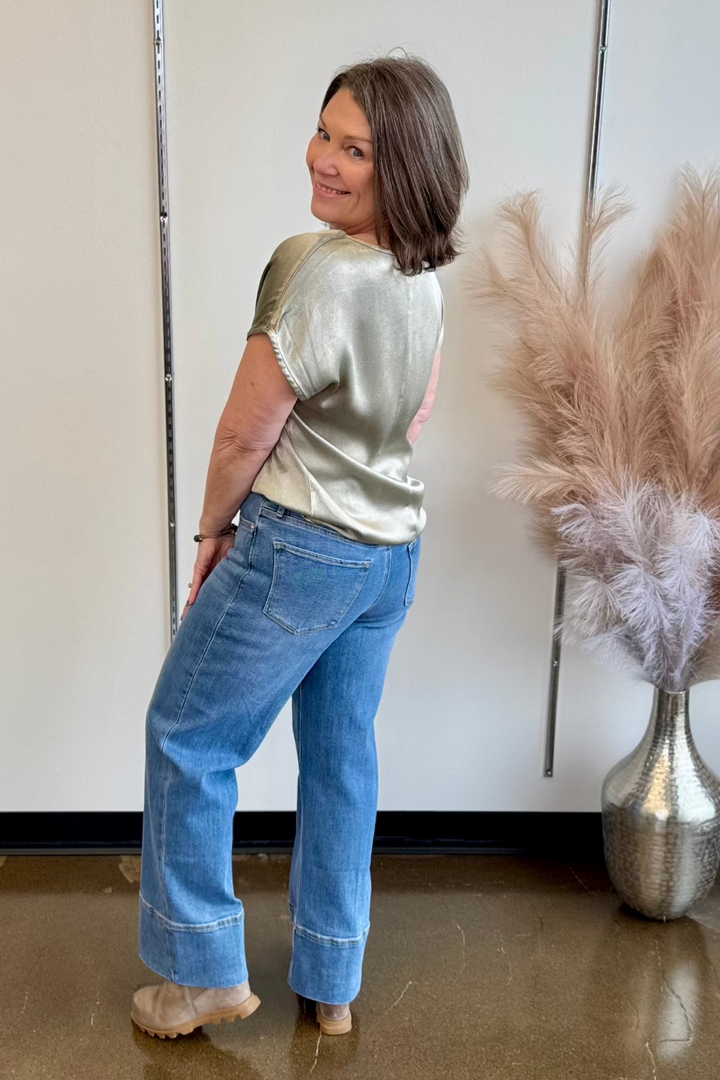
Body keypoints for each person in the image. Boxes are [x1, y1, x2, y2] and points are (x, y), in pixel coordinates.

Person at [130, 53, 468, 1040]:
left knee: (188, 736)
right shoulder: (420, 279)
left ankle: (200, 975)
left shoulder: (311, 266)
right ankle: (331, 983)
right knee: (340, 759)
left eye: (355, 149)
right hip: (388, 555)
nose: (323, 159)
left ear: (402, 166)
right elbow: (415, 413)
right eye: (325, 132)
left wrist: (212, 532)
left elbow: (246, 433)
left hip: (300, 547)